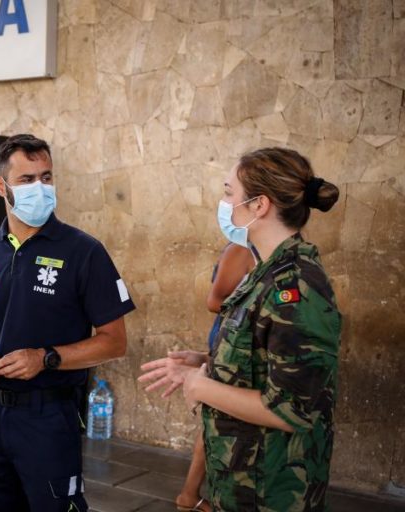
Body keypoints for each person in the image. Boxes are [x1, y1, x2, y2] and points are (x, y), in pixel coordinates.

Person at [139, 147, 341, 511]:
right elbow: (265, 360)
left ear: (259, 205)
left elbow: (290, 409)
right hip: (240, 480)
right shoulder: (265, 273)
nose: (223, 203)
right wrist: (206, 361)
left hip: (272, 490)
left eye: (229, 192)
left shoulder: (294, 287)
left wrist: (200, 384)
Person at [0, 134, 136, 512]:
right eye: (27, 180)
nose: (41, 188)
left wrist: (45, 357)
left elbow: (114, 342)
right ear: (1, 186)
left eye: (46, 177)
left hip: (49, 417)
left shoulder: (84, 251)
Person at [176, 243, 256, 512]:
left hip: (234, 341)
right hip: (231, 341)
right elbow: (214, 301)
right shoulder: (242, 249)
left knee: (213, 424)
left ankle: (189, 494)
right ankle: (191, 494)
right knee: (217, 423)